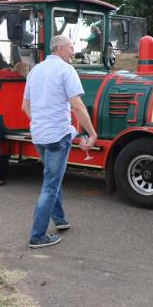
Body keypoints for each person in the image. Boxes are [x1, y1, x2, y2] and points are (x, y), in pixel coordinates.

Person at [22, 35, 97, 249]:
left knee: (52, 179)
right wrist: (91, 133)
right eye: (72, 48)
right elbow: (78, 105)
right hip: (58, 136)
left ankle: (60, 219)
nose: (74, 52)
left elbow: (25, 107)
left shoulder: (35, 71)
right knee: (50, 186)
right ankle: (37, 236)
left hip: (39, 136)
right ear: (61, 48)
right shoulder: (66, 70)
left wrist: (40, 123)